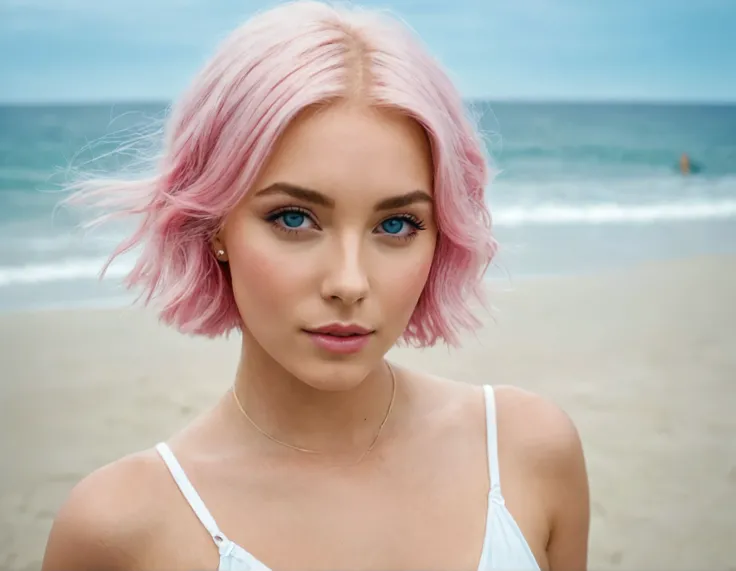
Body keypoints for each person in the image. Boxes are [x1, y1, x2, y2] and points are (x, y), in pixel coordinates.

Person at [41, 2, 590, 570]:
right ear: (214, 225)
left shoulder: (528, 451)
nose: (349, 283)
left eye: (396, 225)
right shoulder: (121, 530)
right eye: (295, 218)